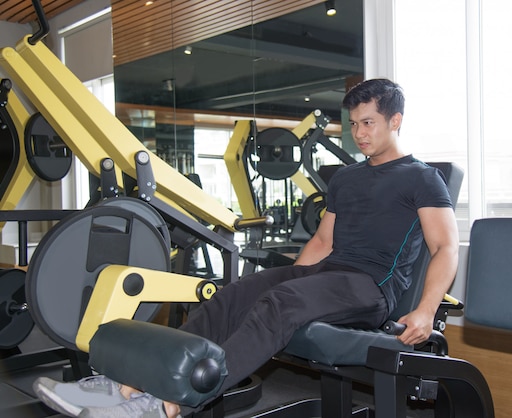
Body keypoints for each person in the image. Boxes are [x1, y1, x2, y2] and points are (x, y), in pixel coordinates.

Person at [33, 78, 459, 418]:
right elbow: (324, 241)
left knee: (283, 302)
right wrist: (293, 279)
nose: (359, 133)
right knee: (233, 293)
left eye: (369, 123)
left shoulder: (420, 178)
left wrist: (424, 309)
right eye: (353, 124)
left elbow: (444, 248)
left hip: (371, 287)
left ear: (395, 120)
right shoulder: (346, 179)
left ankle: (173, 402)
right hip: (328, 275)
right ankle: (130, 381)